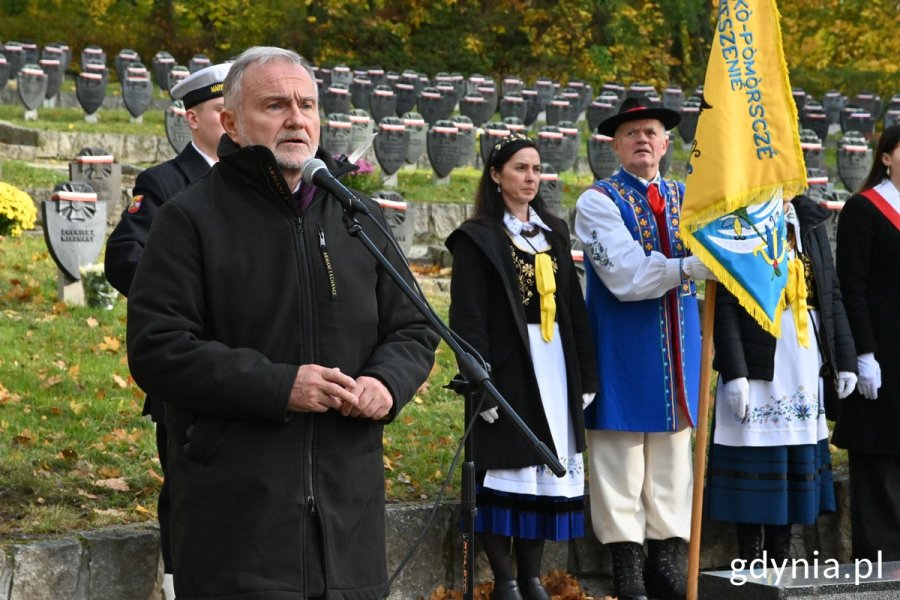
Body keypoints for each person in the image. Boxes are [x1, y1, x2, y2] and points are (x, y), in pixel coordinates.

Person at [125, 46, 438, 599]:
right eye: (275, 105)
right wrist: (280, 386)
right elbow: (158, 348)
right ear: (231, 123)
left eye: (307, 104)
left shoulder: (355, 216)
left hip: (348, 519)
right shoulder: (189, 218)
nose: (296, 118)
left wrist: (386, 384)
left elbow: (415, 327)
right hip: (240, 524)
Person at [574, 96, 715, 600]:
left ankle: (667, 562)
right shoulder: (597, 202)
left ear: (666, 141)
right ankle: (627, 567)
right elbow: (626, 276)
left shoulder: (689, 198)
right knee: (620, 459)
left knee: (675, 462)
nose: (642, 140)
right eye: (631, 133)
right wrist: (689, 267)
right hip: (621, 349)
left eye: (651, 131)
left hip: (680, 349)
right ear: (614, 144)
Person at [446, 134, 597, 600]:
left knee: (544, 472)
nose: (530, 178)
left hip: (555, 363)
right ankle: (506, 580)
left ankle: (531, 577)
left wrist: (587, 375)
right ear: (496, 175)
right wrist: (480, 384)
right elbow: (466, 315)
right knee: (508, 467)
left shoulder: (553, 232)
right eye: (519, 169)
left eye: (536, 170)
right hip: (508, 367)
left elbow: (573, 307)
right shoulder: (477, 238)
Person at [104, 60, 230, 600]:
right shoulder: (165, 182)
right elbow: (125, 257)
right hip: (191, 363)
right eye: (220, 115)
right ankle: (180, 585)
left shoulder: (268, 184)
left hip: (260, 366)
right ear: (193, 119)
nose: (232, 124)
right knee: (188, 487)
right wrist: (186, 304)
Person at [707, 193, 857, 566]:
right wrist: (735, 370)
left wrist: (846, 359)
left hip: (804, 360)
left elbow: (830, 291)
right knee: (754, 457)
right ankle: (748, 557)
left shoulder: (810, 223)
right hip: (758, 360)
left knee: (792, 461)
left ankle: (780, 553)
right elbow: (726, 301)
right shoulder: (738, 222)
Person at [834, 123, 900, 561]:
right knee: (880, 462)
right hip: (883, 349)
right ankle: (882, 565)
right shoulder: (864, 208)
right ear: (887, 157)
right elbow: (850, 286)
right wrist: (863, 354)